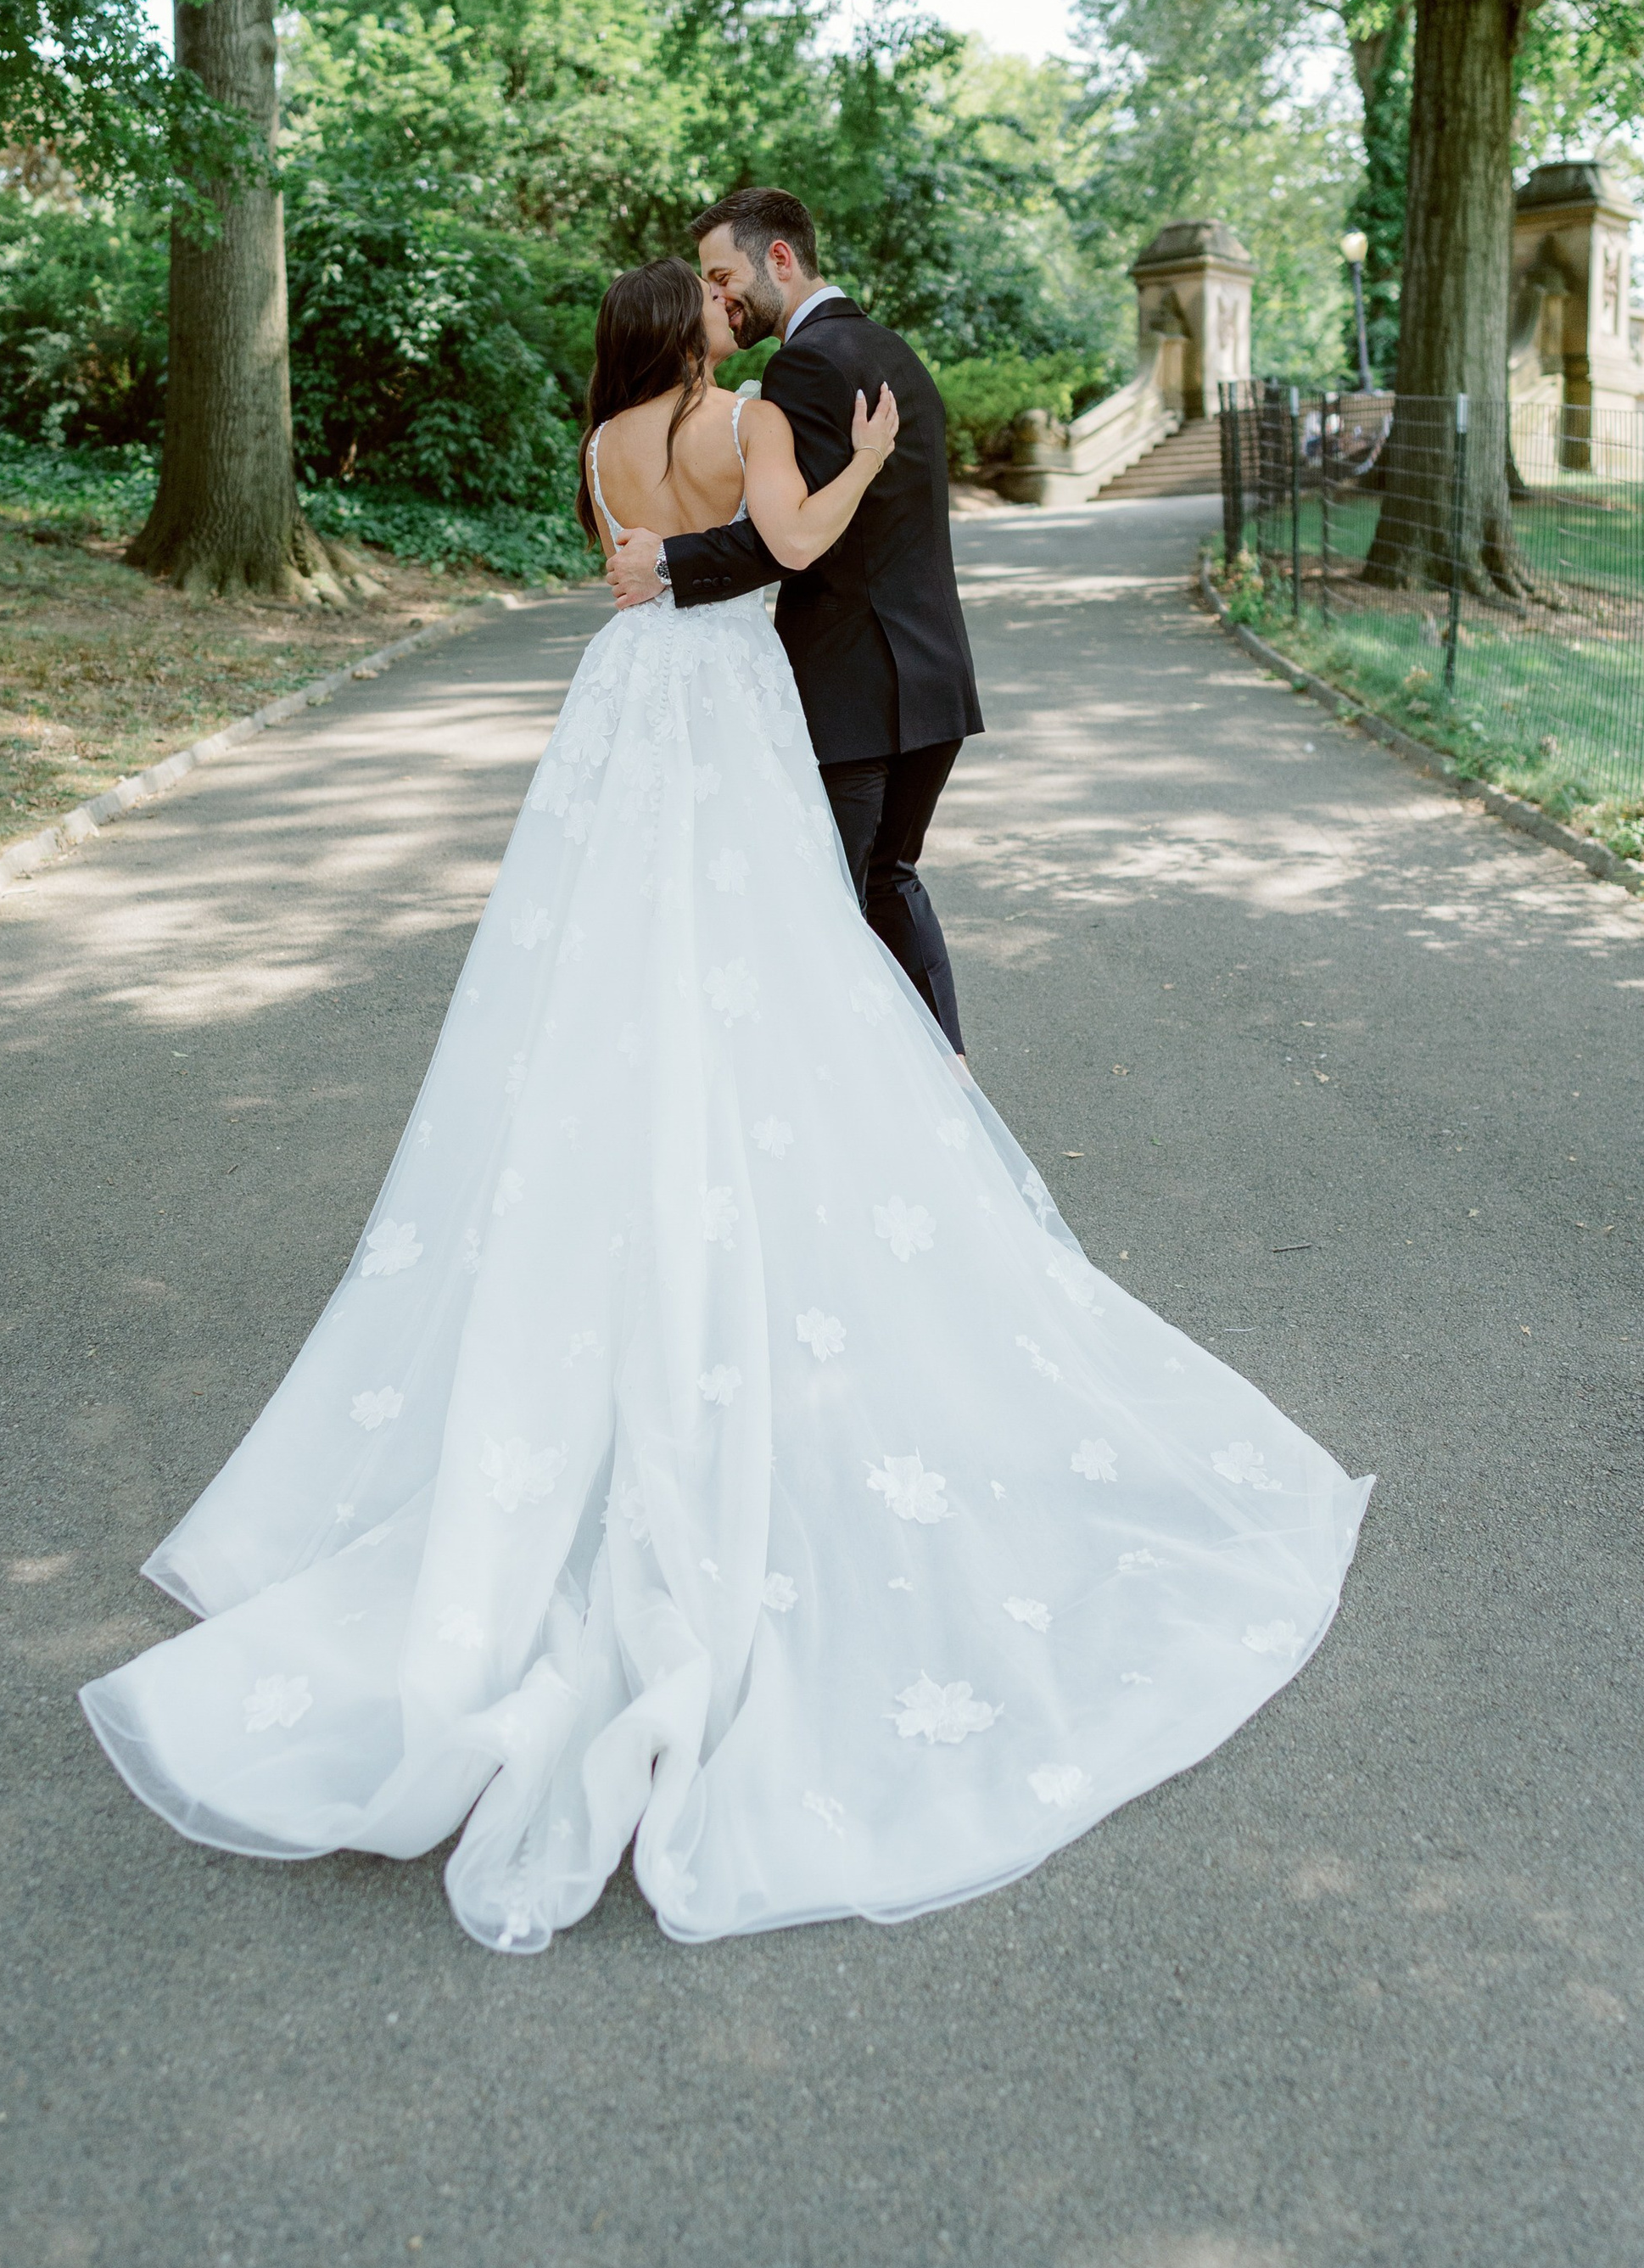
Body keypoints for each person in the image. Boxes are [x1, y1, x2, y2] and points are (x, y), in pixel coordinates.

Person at [81, 255, 1371, 1955]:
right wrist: (858, 456)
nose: (717, 312)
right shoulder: (750, 416)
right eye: (696, 303)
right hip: (733, 704)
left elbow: (626, 574)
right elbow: (792, 548)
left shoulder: (606, 439)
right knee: (769, 952)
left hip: (624, 707)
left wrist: (684, 553)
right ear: (683, 332)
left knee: (621, 956)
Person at [607, 190, 979, 1055]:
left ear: (780, 260)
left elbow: (789, 537)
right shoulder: (893, 350)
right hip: (932, 680)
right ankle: (947, 1080)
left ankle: (852, 1097)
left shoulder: (805, 366)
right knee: (887, 882)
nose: (718, 295)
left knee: (827, 903)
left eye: (722, 275)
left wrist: (666, 562)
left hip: (856, 686)